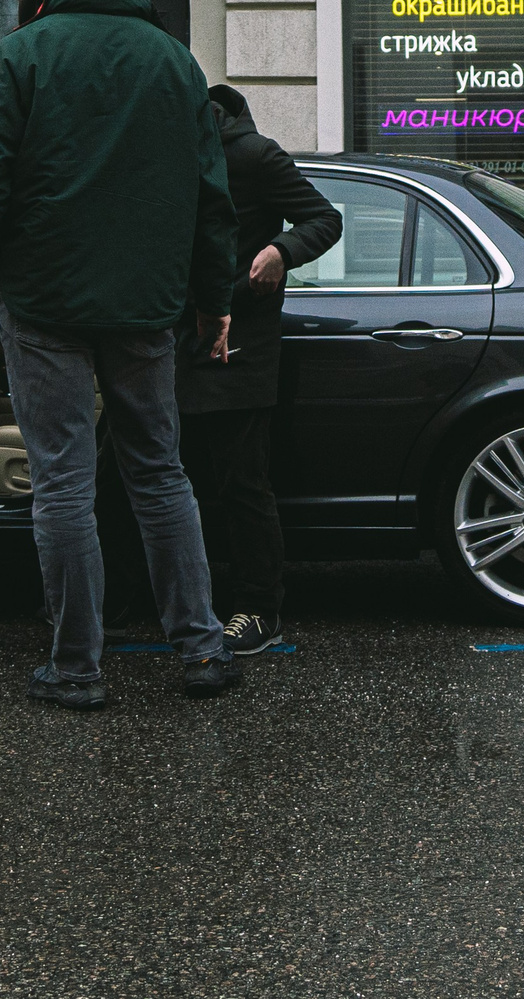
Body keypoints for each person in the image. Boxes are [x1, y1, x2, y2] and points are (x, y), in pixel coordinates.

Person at [0, 0, 241, 711]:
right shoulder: (173, 61)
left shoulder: (18, 58)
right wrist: (215, 301)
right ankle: (202, 647)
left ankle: (77, 666)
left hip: (42, 304)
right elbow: (213, 200)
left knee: (64, 482)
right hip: (147, 305)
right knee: (159, 471)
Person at [97, 86, 342, 655]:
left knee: (241, 484)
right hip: (163, 340)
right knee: (120, 474)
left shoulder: (256, 155)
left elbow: (322, 218)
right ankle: (116, 597)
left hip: (238, 343)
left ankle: (260, 608)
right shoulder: (161, 152)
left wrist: (282, 250)